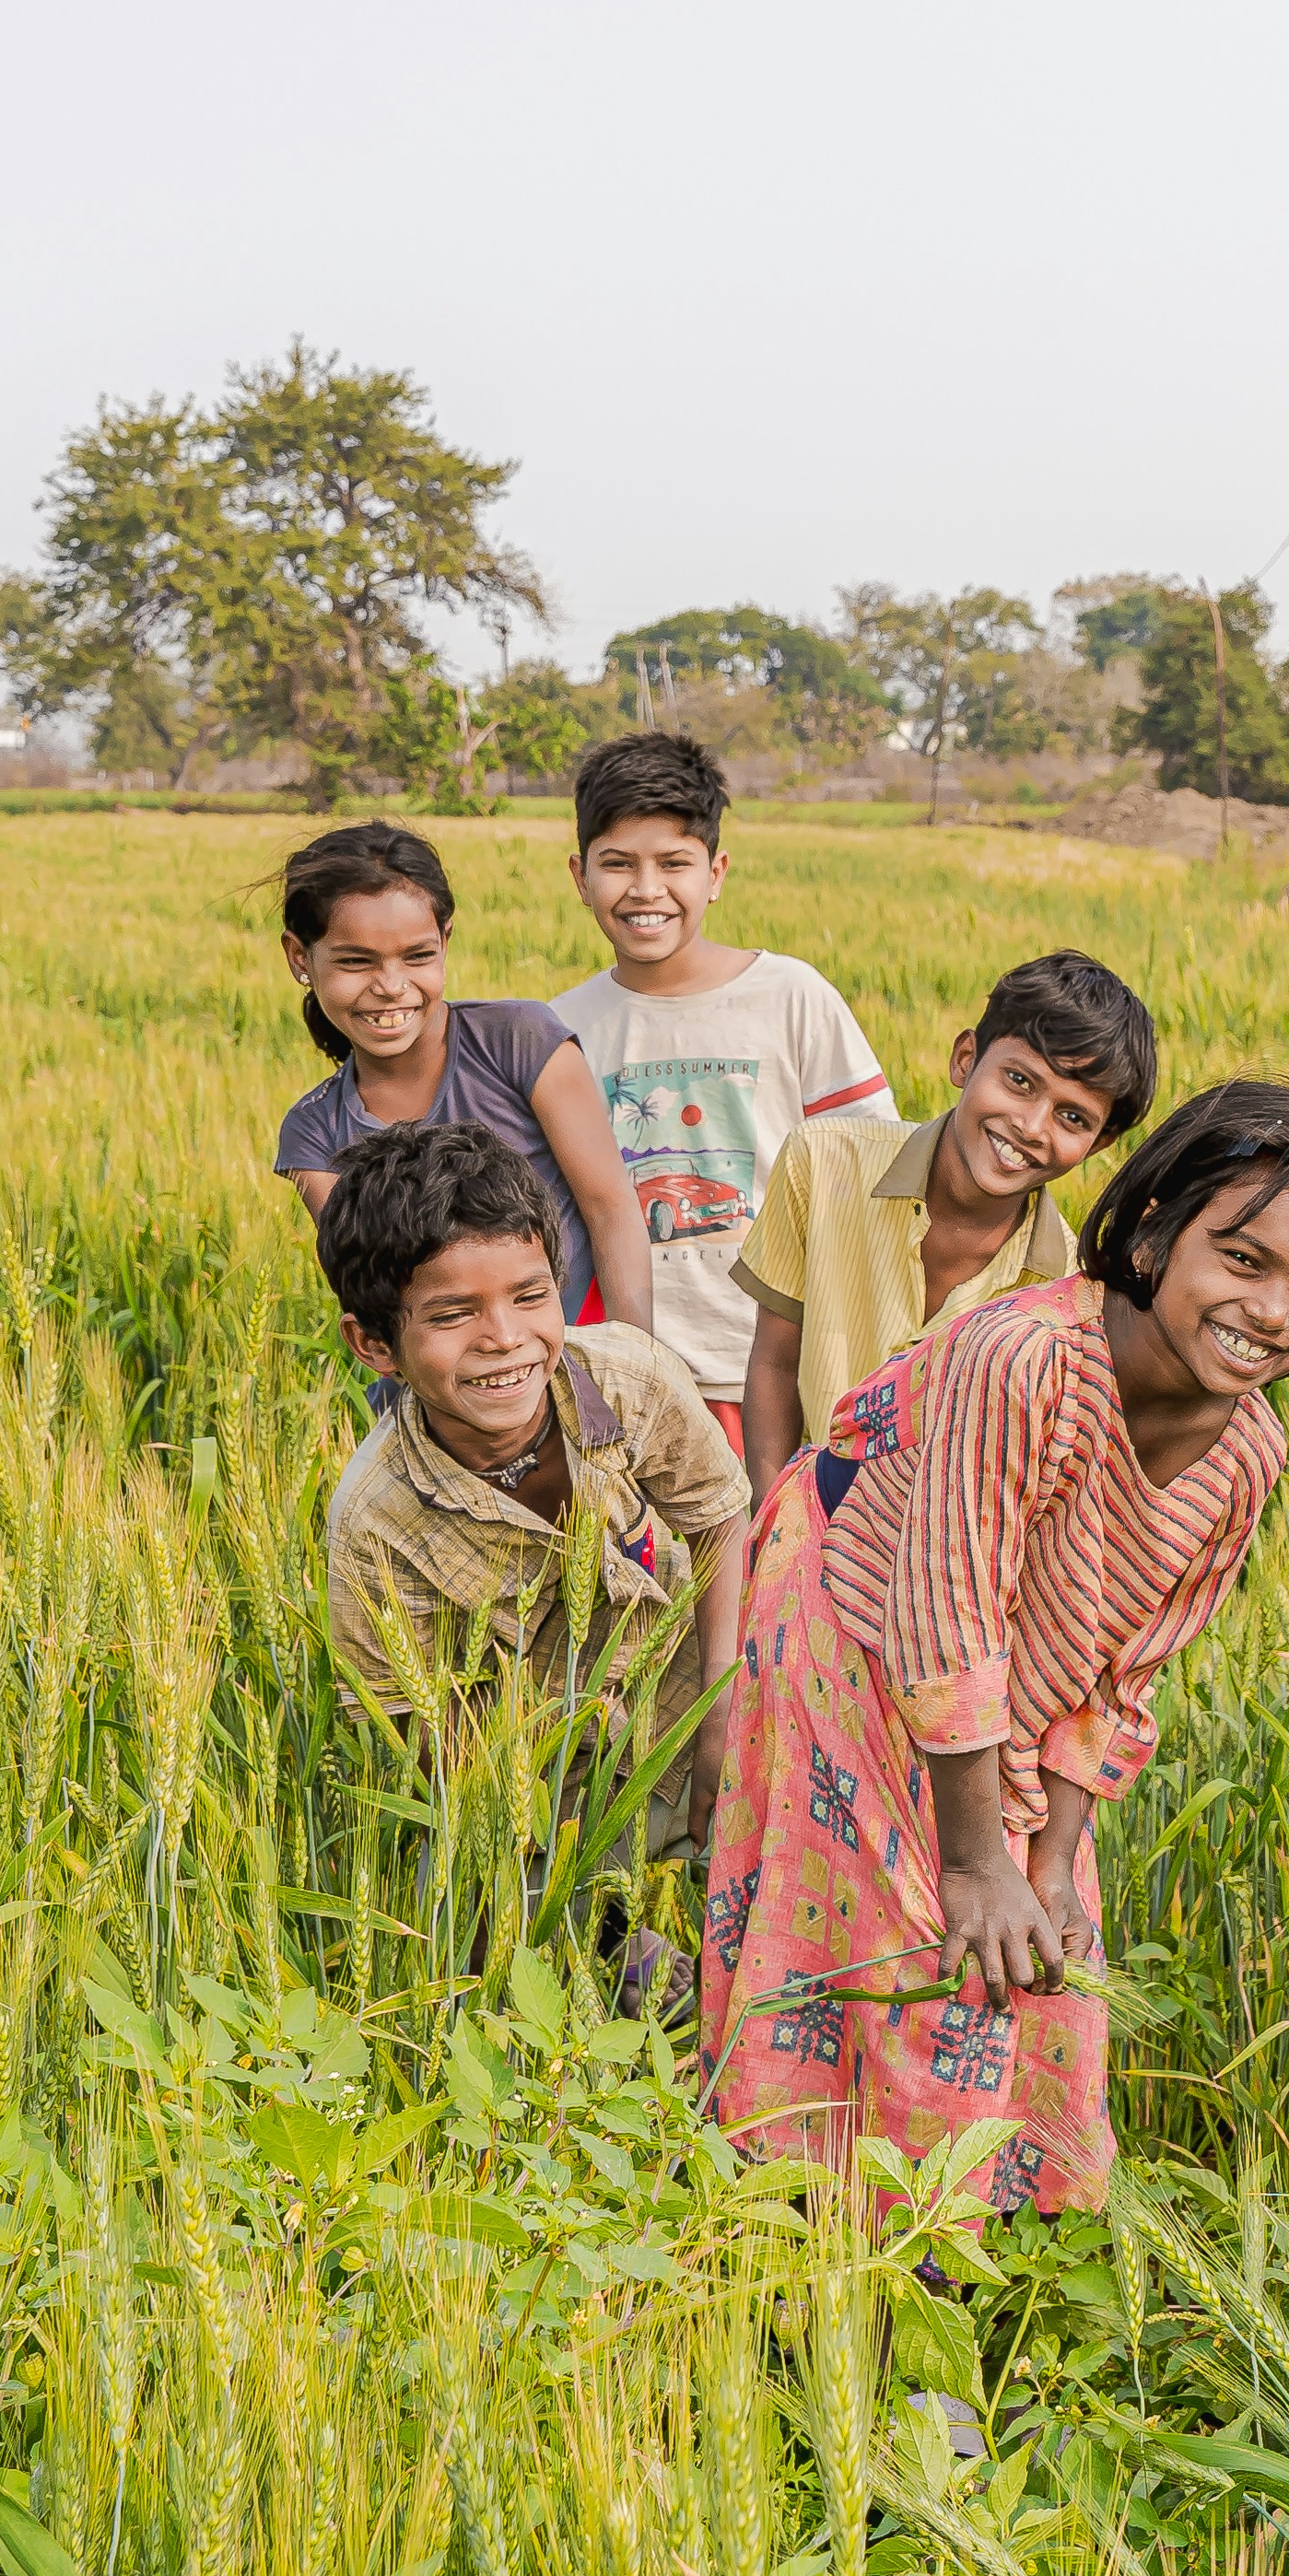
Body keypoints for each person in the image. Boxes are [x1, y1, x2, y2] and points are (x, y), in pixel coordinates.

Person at [696, 1081, 1289, 2214]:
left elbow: (1123, 1673)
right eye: (1243, 1258)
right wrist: (978, 1863)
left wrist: (1052, 1861)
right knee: (913, 1942)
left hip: (1006, 1687)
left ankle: (995, 2248)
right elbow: (947, 1612)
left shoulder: (1248, 1453)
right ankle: (845, 2250)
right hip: (857, 1622)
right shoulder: (1022, 1357)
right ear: (1159, 1226)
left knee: (1049, 1963)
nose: (1270, 1309)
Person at [315, 1118, 757, 1868]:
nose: (505, 1337)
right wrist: (542, 1835)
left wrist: (724, 1710)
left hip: (685, 1690)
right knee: (483, 1916)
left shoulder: (629, 1380)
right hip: (540, 1785)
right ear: (375, 1345)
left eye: (530, 1296)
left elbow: (720, 1518)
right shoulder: (375, 1522)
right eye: (454, 1314)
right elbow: (417, 1732)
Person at [729, 948, 1157, 1501]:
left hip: (946, 1565)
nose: (1031, 1126)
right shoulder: (822, 1160)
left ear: (1098, 1144)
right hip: (803, 1531)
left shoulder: (1067, 1293)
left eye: (1071, 1117)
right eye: (1019, 1081)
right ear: (965, 1059)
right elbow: (774, 1363)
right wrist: (776, 1527)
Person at [548, 734, 894, 1414]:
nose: (646, 890)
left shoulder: (792, 996)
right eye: (617, 863)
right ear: (580, 877)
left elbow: (870, 1173)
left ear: (716, 873)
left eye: (674, 862)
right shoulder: (560, 1029)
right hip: (631, 1379)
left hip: (781, 1369)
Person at [269, 820, 658, 1336]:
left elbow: (611, 1210)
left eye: (418, 956)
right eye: (355, 962)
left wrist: (634, 1371)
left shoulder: (519, 1041)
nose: (391, 986)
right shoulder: (314, 1133)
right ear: (300, 957)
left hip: (576, 1368)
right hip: (437, 1397)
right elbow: (379, 1294)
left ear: (445, 941)